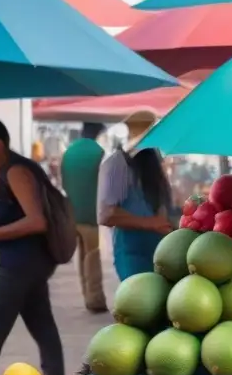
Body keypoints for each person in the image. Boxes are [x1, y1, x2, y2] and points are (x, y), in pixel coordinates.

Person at [0, 118, 64, 375]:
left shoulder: (16, 171)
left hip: (19, 266)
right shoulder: (13, 169)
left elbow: (36, 221)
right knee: (43, 327)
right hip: (31, 264)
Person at [97, 112, 174, 281]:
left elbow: (159, 201)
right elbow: (106, 215)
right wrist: (151, 223)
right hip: (133, 253)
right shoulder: (117, 163)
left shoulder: (152, 162)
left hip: (160, 251)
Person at [61, 122, 107, 312]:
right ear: (98, 133)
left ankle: (86, 295)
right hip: (91, 213)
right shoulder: (99, 153)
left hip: (72, 213)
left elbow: (62, 181)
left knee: (82, 255)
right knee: (92, 256)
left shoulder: (69, 152)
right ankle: (95, 299)